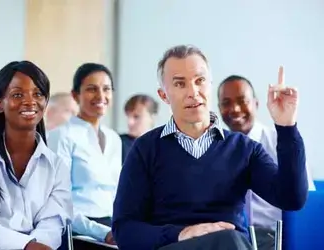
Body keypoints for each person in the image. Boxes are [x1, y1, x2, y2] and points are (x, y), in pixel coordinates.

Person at [112, 45, 308, 250]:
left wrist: (287, 127)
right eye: (180, 84)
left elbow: (292, 199)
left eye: (200, 81)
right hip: (176, 247)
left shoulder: (244, 149)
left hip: (232, 246)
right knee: (228, 240)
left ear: (210, 84)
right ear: (163, 95)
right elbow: (124, 231)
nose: (193, 92)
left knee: (229, 240)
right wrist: (182, 234)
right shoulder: (145, 149)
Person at [0, 61, 73, 250]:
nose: (30, 101)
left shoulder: (57, 166)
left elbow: (52, 223)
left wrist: (36, 246)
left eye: (38, 94)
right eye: (18, 94)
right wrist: (25, 246)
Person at [217, 75, 316, 250]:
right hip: (233, 238)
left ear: (255, 104)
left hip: (276, 238)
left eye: (242, 100)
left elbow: (305, 198)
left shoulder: (283, 141)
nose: (235, 108)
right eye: (226, 103)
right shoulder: (217, 147)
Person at [48, 63, 122, 245]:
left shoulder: (114, 139)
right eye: (91, 89)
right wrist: (102, 232)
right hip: (77, 230)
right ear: (75, 95)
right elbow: (58, 201)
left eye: (106, 89)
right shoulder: (62, 136)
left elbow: (115, 193)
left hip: (112, 227)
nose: (100, 96)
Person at [120, 94, 159, 162]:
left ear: (152, 117)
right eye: (128, 116)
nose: (130, 122)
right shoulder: (117, 143)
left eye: (136, 117)